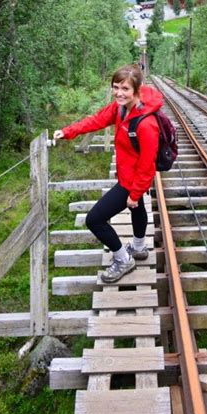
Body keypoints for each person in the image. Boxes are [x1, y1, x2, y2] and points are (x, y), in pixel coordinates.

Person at [53, 64, 162, 283]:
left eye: (125, 89)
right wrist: (67, 132)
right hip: (127, 175)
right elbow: (95, 120)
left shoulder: (146, 124)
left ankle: (123, 259)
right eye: (116, 87)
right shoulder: (120, 108)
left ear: (137, 90)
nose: (119, 93)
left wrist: (134, 192)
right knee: (137, 207)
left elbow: (147, 164)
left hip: (131, 181)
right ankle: (139, 248)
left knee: (94, 219)